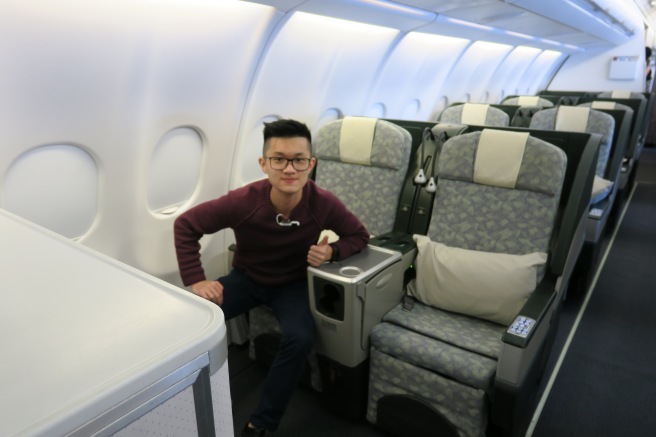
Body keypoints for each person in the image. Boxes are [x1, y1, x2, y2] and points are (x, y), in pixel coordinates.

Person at [174, 119, 370, 436]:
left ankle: (262, 424)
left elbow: (359, 236)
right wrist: (197, 280)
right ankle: (180, 402)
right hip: (247, 279)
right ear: (264, 164)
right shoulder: (242, 201)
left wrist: (331, 252)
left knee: (300, 337)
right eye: (279, 159)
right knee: (196, 319)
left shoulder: (323, 203)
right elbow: (186, 226)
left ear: (311, 165)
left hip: (292, 286)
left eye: (298, 160)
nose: (289, 169)